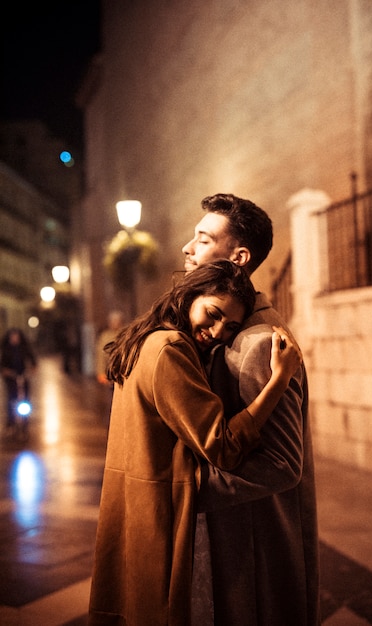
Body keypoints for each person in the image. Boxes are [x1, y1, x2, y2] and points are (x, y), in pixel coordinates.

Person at [88, 260, 302, 626]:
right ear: (189, 295)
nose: (218, 331)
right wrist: (278, 381)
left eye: (230, 326)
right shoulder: (170, 348)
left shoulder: (147, 337)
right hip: (159, 505)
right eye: (213, 313)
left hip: (134, 502)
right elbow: (223, 446)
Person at [182, 194, 321, 626]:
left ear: (238, 257)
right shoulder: (231, 326)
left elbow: (281, 465)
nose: (188, 248)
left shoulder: (260, 342)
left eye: (203, 239)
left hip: (253, 555)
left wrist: (187, 492)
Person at [0, 327, 37, 434]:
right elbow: (2, 365)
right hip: (10, 377)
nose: (14, 338)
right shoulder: (6, 350)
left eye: (16, 336)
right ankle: (10, 422)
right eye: (12, 336)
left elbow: (33, 361)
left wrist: (32, 370)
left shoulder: (24, 349)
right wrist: (7, 372)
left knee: (26, 397)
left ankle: (25, 422)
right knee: (11, 398)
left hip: (23, 376)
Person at [95, 310, 125, 385]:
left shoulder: (125, 334)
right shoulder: (105, 336)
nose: (115, 323)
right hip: (110, 370)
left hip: (123, 370)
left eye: (117, 321)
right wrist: (101, 372)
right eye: (113, 321)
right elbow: (100, 355)